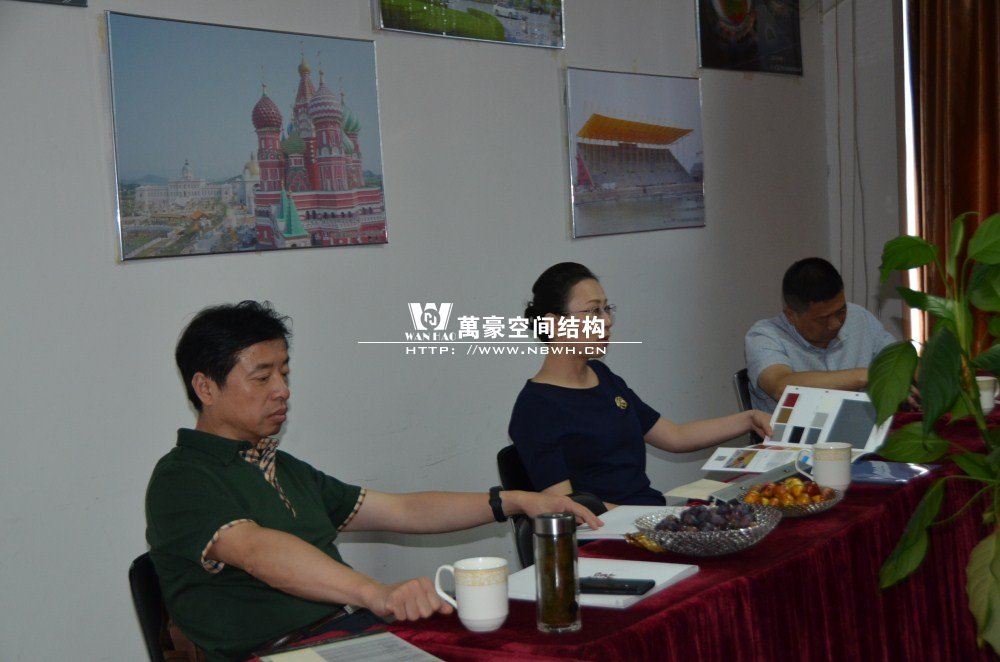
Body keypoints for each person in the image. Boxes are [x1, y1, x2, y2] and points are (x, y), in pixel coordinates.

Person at [146, 301, 601, 661]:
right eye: (262, 377)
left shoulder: (281, 468)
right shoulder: (182, 478)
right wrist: (375, 593)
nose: (282, 390)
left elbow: (401, 510)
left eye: (284, 373)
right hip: (276, 652)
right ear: (206, 388)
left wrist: (517, 501)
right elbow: (257, 551)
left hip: (343, 638)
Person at [507, 262, 772, 508]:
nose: (607, 321)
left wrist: (748, 419)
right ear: (554, 323)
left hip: (646, 516)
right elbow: (567, 509)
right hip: (605, 533)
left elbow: (675, 436)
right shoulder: (536, 407)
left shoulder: (602, 376)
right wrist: (649, 521)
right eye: (594, 311)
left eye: (607, 309)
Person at [745, 257, 898, 412]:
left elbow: (898, 359)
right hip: (795, 427)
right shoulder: (765, 336)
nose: (835, 324)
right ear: (791, 315)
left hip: (863, 423)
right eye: (823, 319)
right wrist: (865, 376)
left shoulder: (859, 317)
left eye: (841, 312)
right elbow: (781, 386)